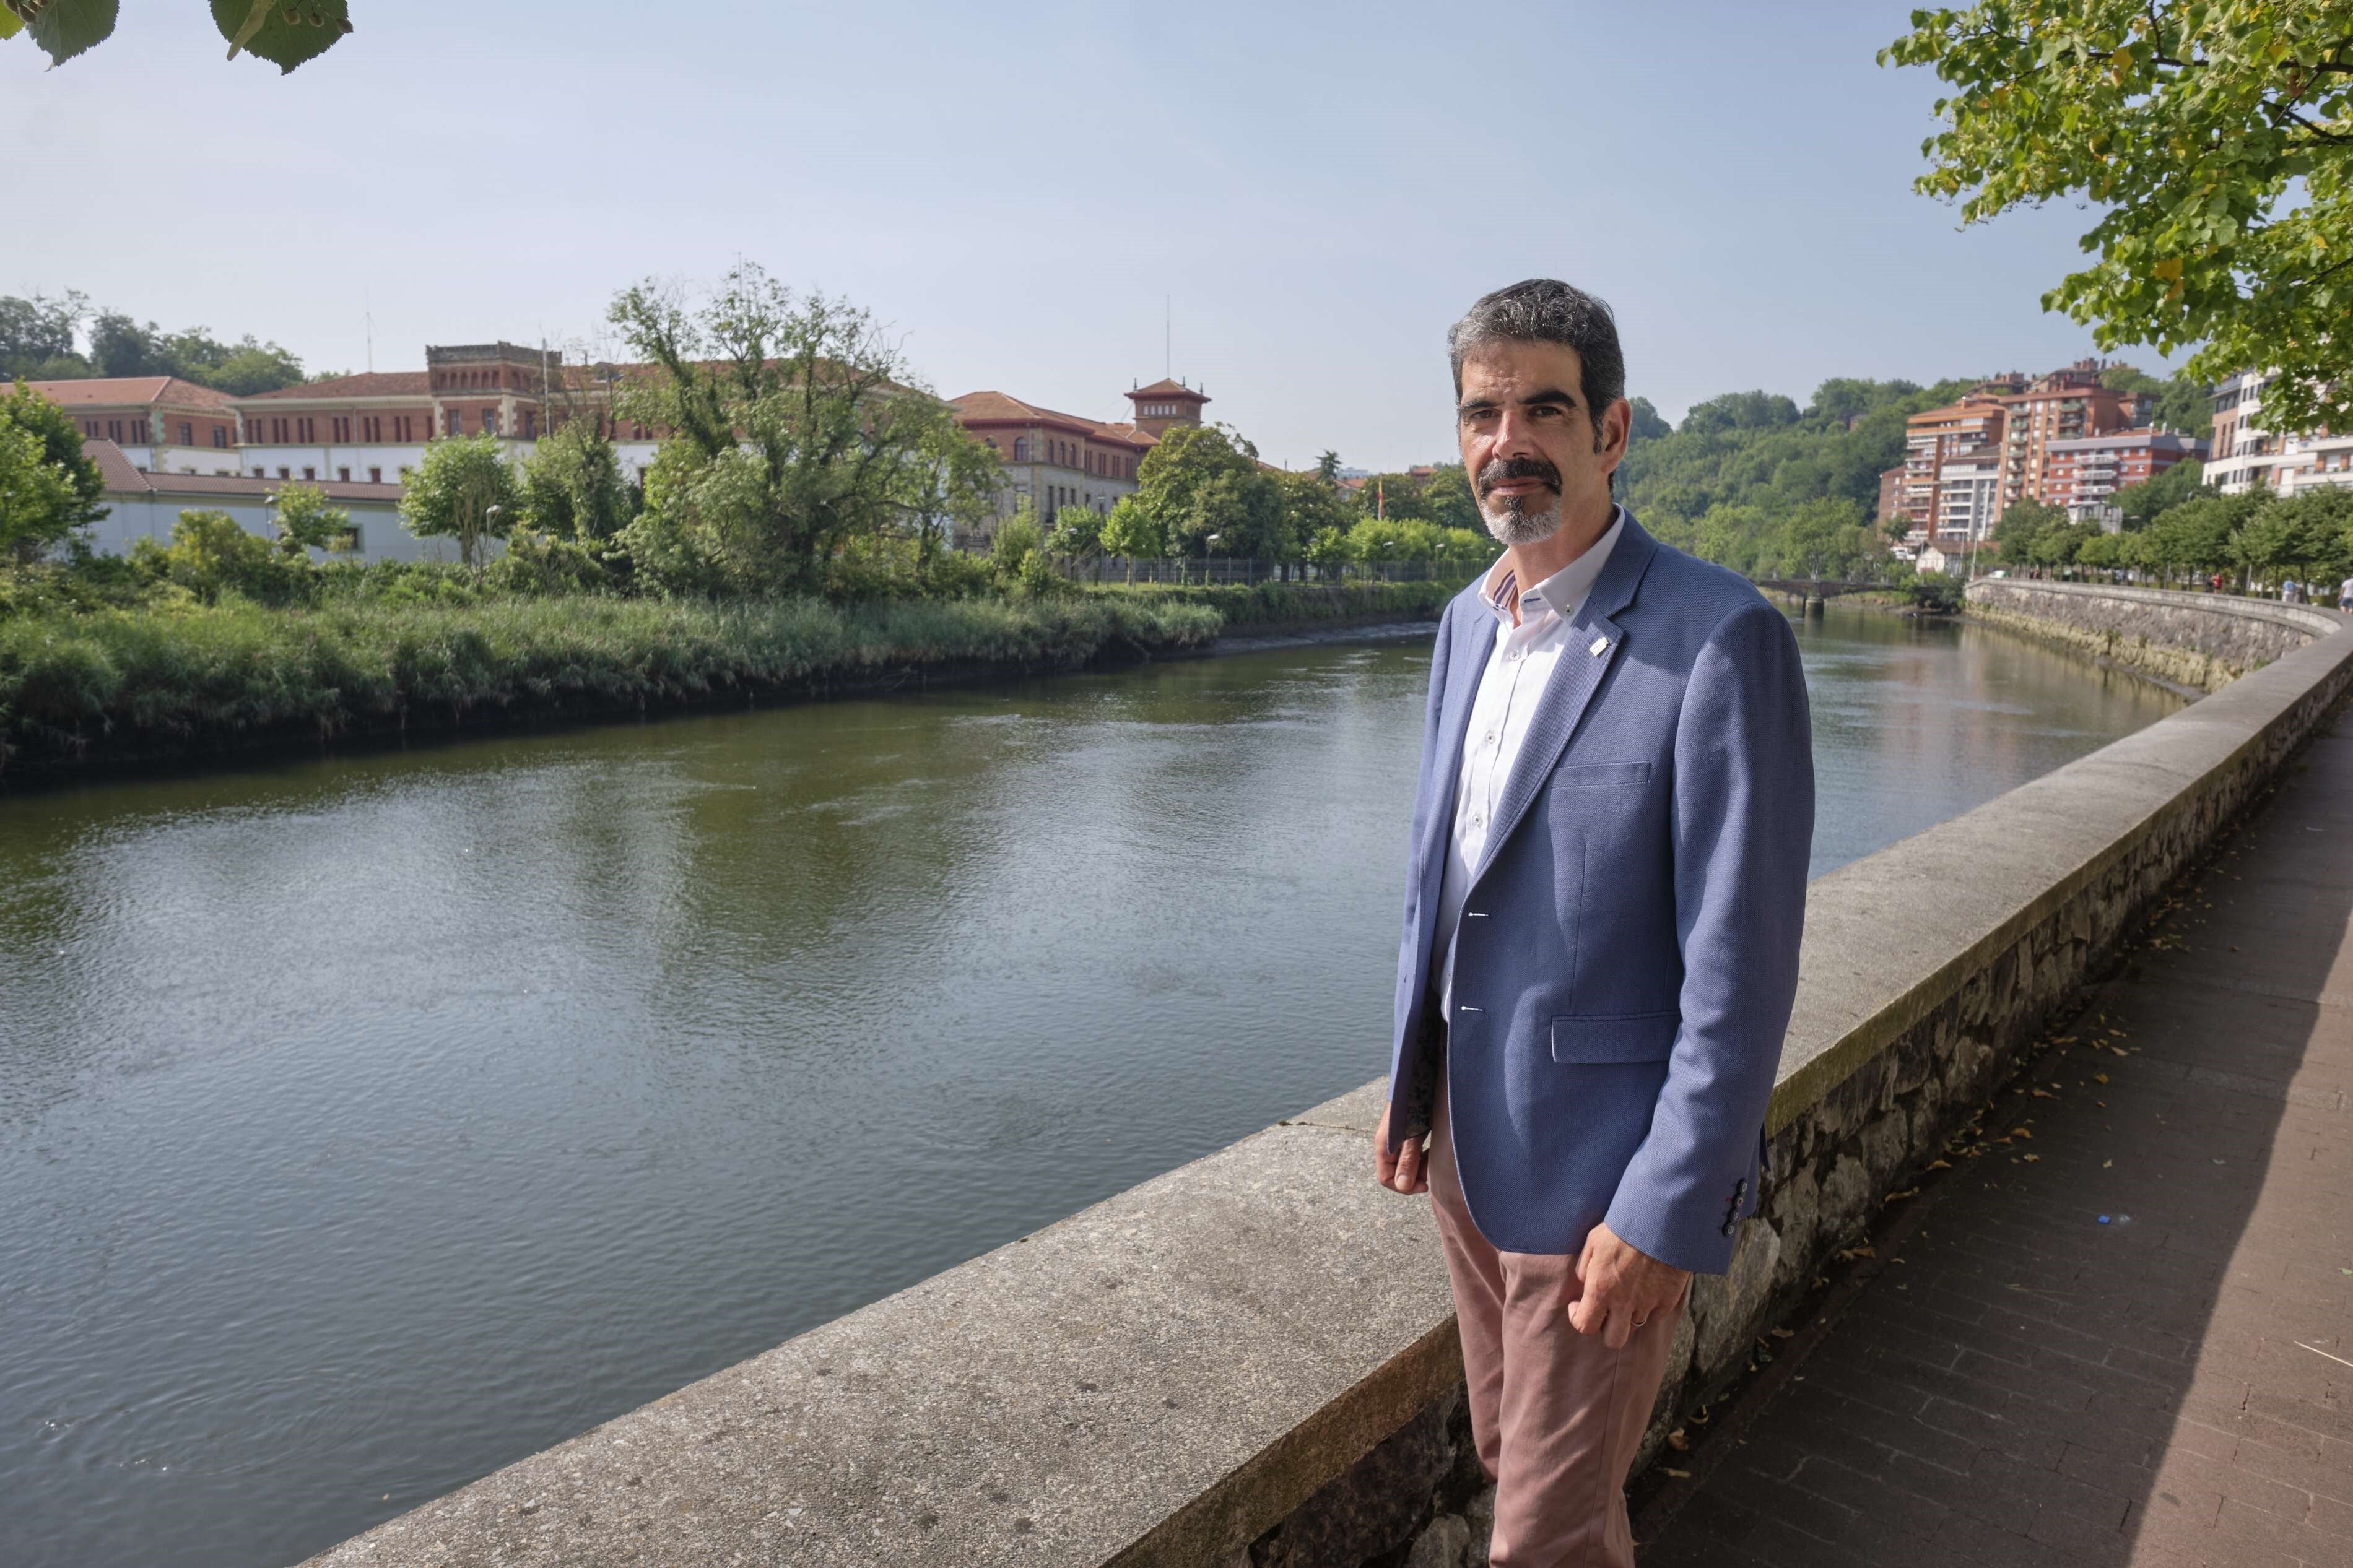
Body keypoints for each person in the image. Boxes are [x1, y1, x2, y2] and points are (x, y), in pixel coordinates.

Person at [1375, 280, 1814, 1567]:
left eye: (1543, 410)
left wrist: (1666, 1208)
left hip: (1599, 1181)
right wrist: (1414, 1086)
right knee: (1527, 1475)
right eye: (1481, 413)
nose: (1506, 441)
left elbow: (1741, 967)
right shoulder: (1467, 621)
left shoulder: (1719, 636)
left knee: (1538, 1539)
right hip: (1468, 1153)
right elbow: (1440, 879)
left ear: (1610, 432)